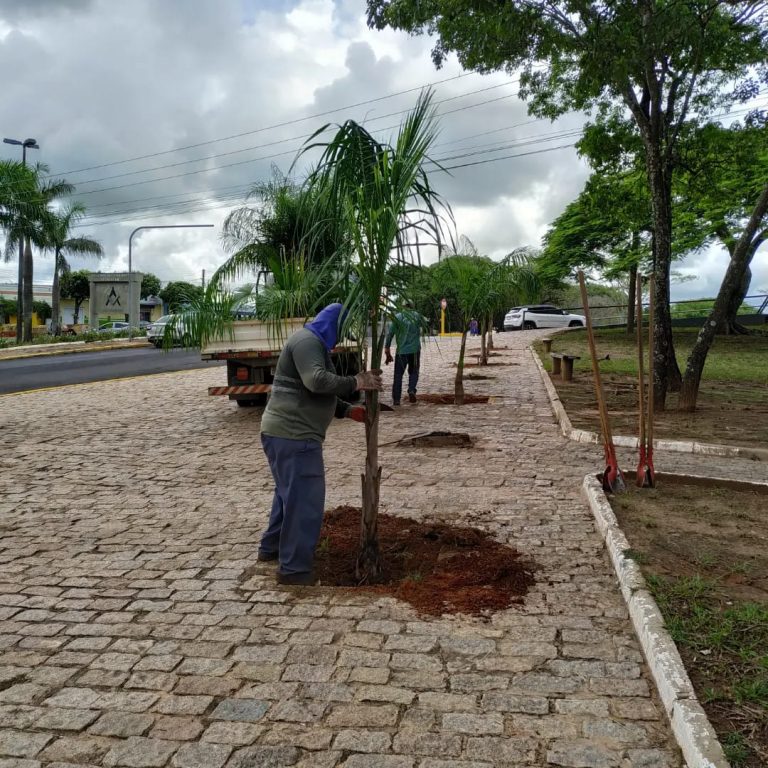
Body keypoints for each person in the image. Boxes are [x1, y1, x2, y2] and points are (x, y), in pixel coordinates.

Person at [258, 303, 382, 585]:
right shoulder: (307, 342)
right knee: (305, 502)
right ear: (333, 323)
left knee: (288, 496)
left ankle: (272, 549)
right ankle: (294, 570)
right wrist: (357, 381)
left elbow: (311, 392)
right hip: (295, 437)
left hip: (285, 436)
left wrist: (347, 410)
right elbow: (316, 381)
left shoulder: (314, 344)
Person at [384, 303, 422, 406]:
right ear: (411, 307)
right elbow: (425, 324)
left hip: (401, 352)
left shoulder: (398, 317)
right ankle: (411, 390)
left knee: (398, 375)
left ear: (403, 307)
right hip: (415, 350)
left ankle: (396, 400)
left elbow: (390, 334)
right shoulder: (417, 316)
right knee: (414, 372)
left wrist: (387, 348)